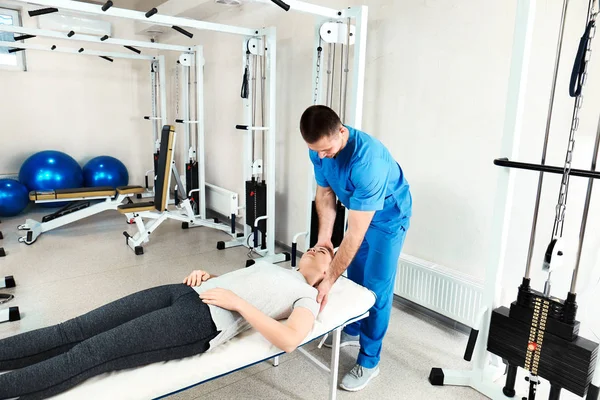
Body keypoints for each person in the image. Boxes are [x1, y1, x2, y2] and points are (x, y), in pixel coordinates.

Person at [0, 247, 333, 400]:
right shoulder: (276, 267)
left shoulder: (305, 296)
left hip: (199, 321)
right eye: (317, 244)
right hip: (183, 292)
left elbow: (289, 340)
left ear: (326, 275)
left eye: (327, 252)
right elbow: (245, 286)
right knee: (72, 330)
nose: (320, 246)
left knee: (91, 352)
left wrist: (239, 304)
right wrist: (211, 276)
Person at [300, 105, 412, 392]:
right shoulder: (319, 148)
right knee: (357, 276)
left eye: (326, 150)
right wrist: (324, 239)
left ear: (341, 131)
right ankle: (355, 326)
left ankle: (370, 360)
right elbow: (324, 193)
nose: (321, 156)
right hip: (360, 212)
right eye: (316, 151)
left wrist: (329, 279)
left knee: (375, 287)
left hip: (388, 218)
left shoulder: (367, 161)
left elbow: (356, 233)